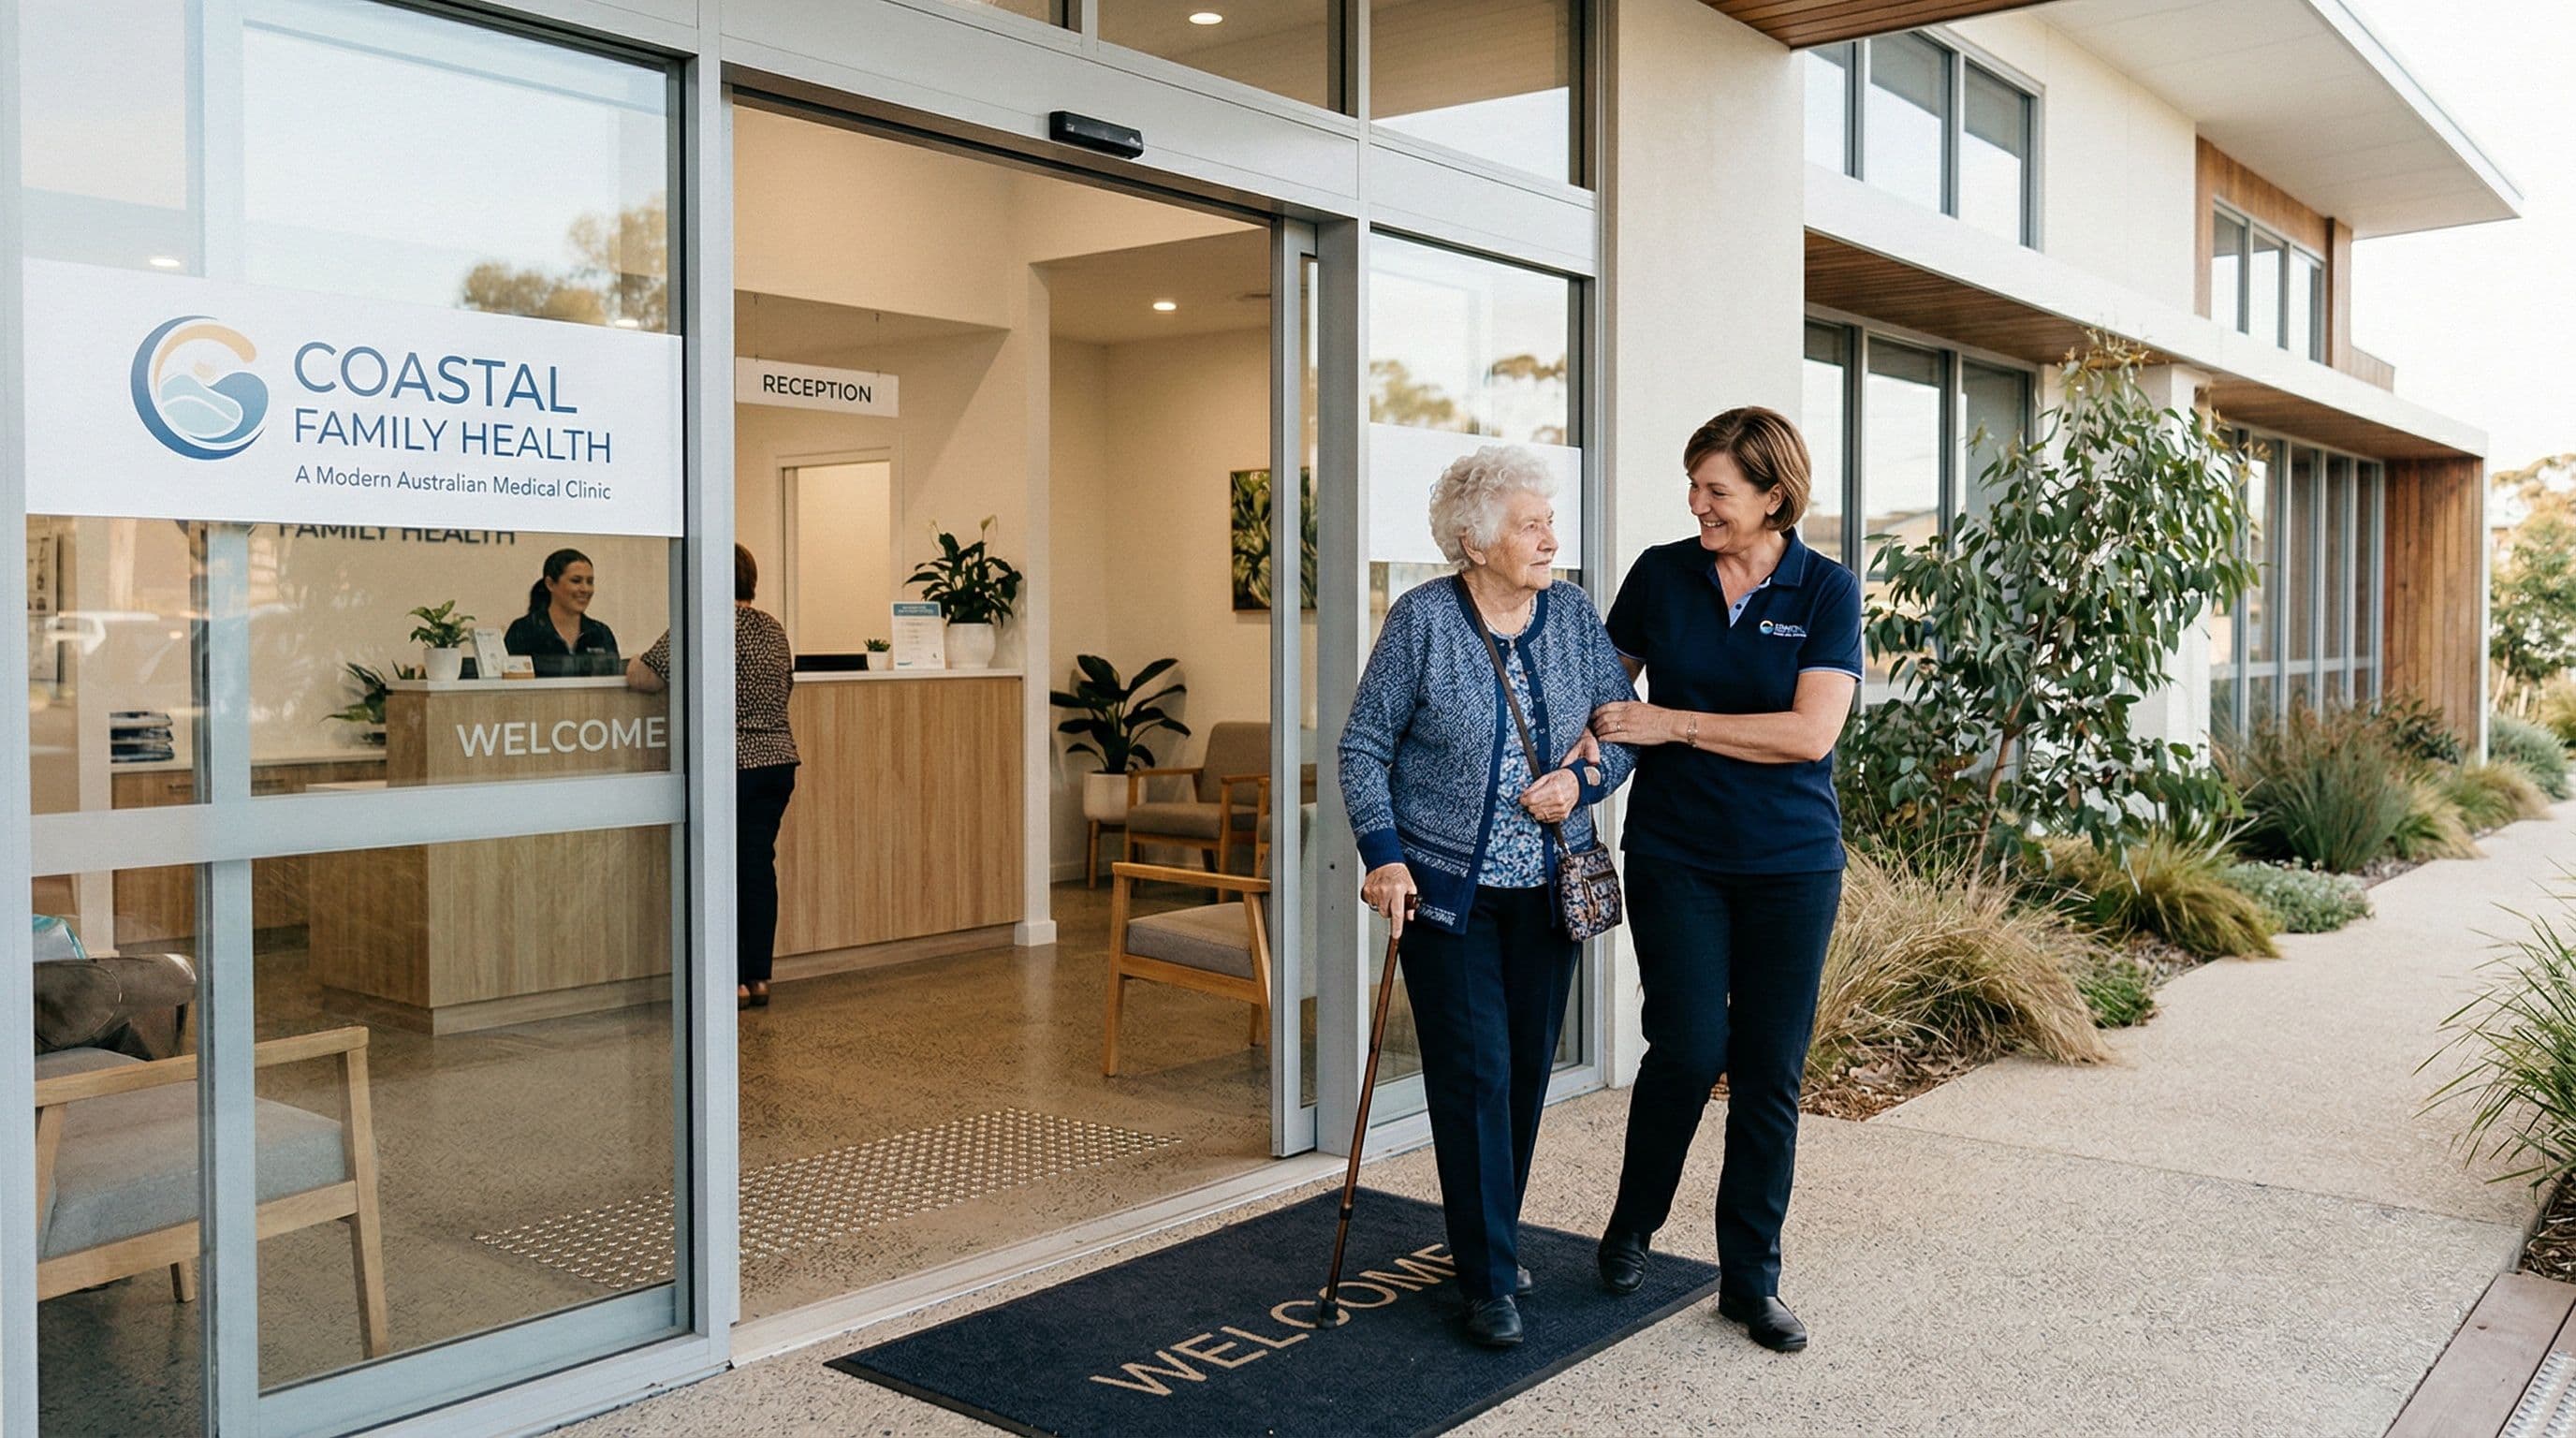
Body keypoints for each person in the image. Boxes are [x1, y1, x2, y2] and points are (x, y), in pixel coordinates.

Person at [1337, 444, 1637, 1350]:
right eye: (1531, 524)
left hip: (1547, 888)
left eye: (1551, 521)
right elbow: (1363, 748)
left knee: (1522, 1075)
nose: (1552, 538)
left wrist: (1580, 788)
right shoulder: (1424, 621)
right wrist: (1385, 858)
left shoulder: (1575, 617)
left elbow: (1618, 732)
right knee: (1474, 1078)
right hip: (1444, 893)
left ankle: (1489, 1243)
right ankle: (1486, 1278)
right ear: (1473, 541)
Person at [1589, 406, 1863, 1355]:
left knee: (1768, 1072)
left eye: (1717, 491)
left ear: (1772, 495)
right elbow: (1601, 698)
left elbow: (1808, 733)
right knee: (1686, 1044)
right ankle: (1632, 1226)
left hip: (1791, 863)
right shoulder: (1662, 575)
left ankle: (1751, 1281)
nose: (1697, 504)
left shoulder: (1824, 590)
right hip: (1677, 854)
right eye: (1693, 486)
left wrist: (1676, 724)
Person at [628, 544, 798, 1010]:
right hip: (778, 763)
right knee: (757, 869)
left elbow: (643, 676)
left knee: (720, 873)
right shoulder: (773, 627)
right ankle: (758, 977)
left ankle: (731, 983)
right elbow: (785, 684)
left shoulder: (702, 623)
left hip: (729, 766)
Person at [505, 548, 620, 676]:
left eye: (590, 582)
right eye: (576, 581)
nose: (585, 589)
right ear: (550, 584)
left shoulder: (601, 633)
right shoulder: (524, 630)